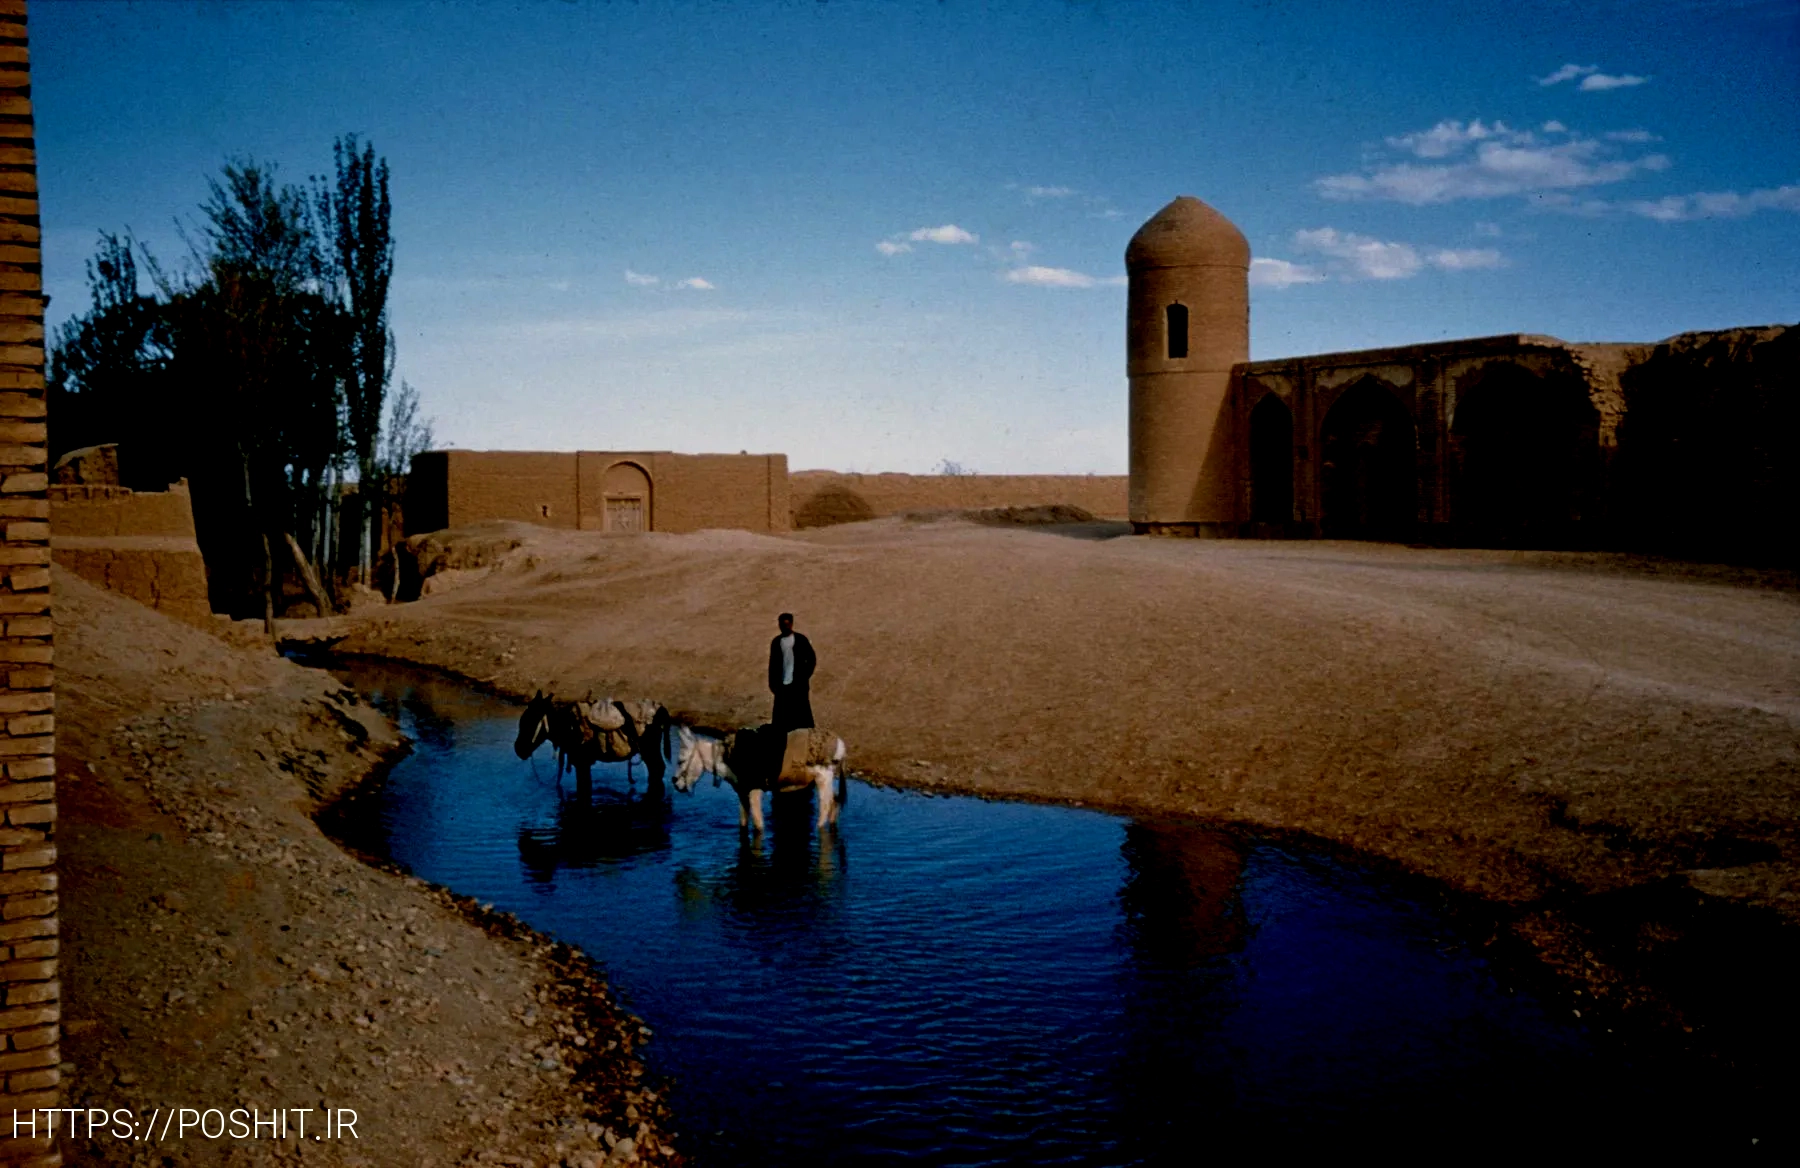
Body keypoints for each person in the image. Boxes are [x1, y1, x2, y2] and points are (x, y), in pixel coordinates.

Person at [768, 611, 816, 732]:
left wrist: (804, 676)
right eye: (783, 624)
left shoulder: (801, 640)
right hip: (782, 684)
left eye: (787, 624)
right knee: (781, 713)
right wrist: (773, 683)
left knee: (801, 710)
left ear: (791, 624)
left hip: (798, 684)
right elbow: (773, 664)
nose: (785, 627)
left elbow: (811, 659)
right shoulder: (776, 642)